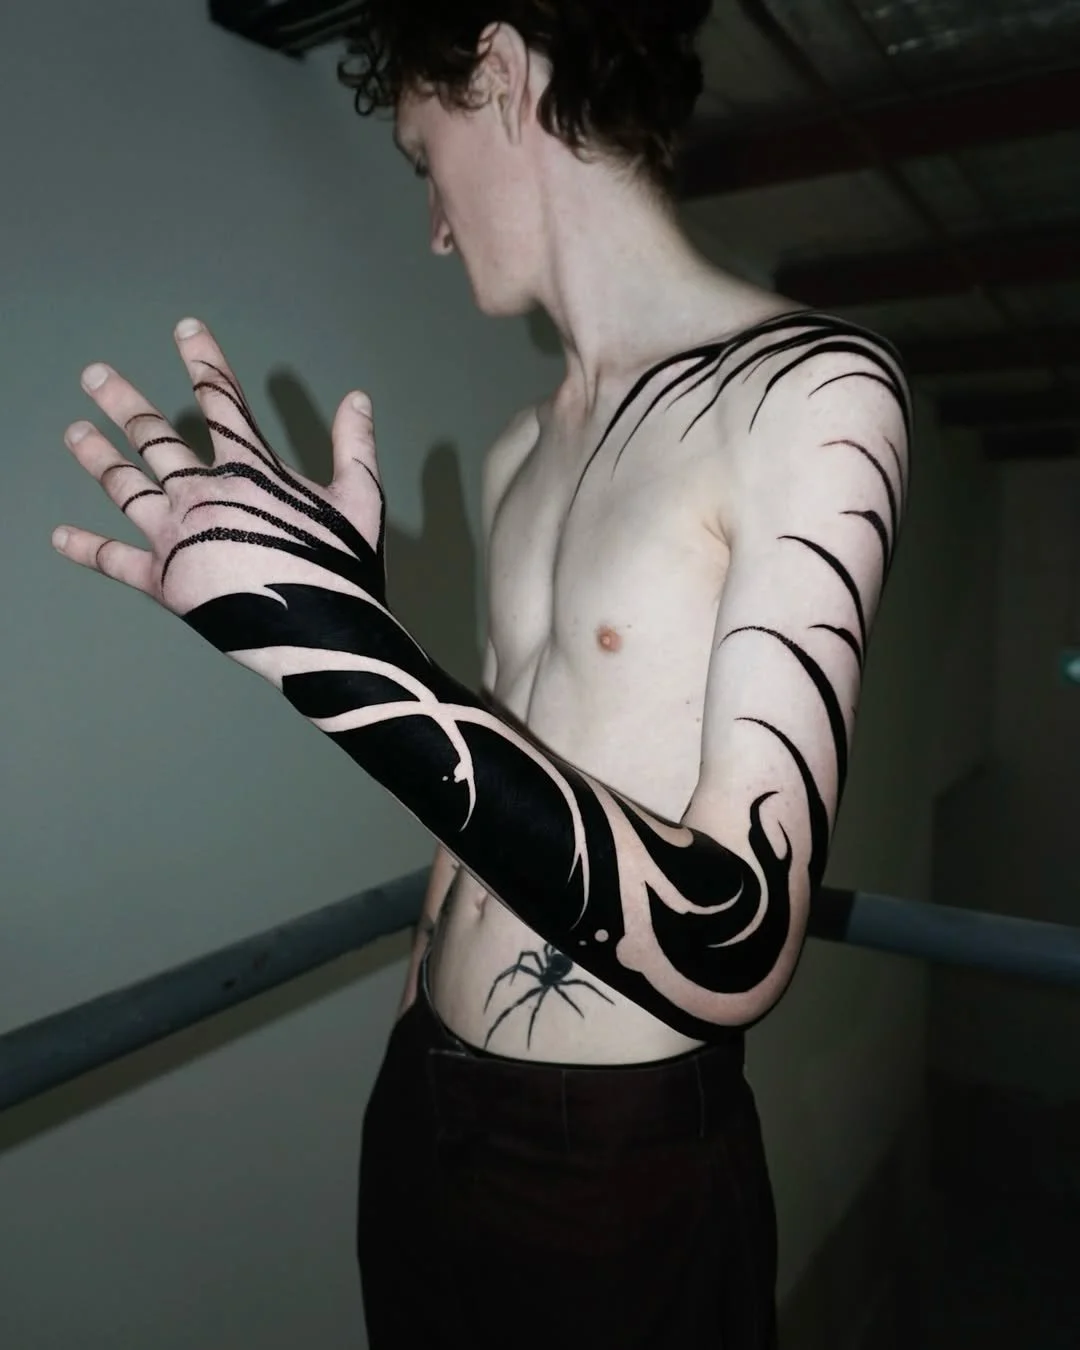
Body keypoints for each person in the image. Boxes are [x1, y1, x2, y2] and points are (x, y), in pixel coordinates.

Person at [52, 4, 910, 1347]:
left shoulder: (808, 397)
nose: (435, 225)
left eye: (422, 155)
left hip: (614, 1164)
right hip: (424, 1099)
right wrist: (413, 1037)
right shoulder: (517, 452)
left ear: (500, 75)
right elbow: (473, 815)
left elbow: (735, 929)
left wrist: (342, 653)